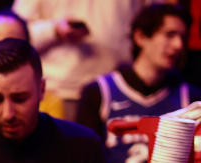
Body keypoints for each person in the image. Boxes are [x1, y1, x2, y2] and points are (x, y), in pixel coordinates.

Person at [77, 4, 201, 163]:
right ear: (141, 37)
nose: (178, 45)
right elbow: (84, 161)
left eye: (183, 37)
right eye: (170, 35)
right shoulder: (99, 91)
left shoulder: (191, 98)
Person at [11, 0, 149, 121]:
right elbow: (13, 33)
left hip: (120, 90)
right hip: (61, 92)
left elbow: (154, 21)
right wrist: (53, 30)